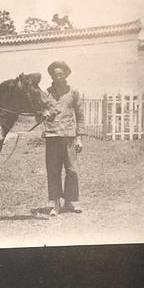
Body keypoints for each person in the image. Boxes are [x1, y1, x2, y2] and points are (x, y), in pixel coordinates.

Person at [41, 60, 85, 215]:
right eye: (55, 74)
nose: (58, 77)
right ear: (51, 76)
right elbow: (39, 114)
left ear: (66, 74)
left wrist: (79, 137)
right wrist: (44, 115)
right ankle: (55, 204)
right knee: (53, 170)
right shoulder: (46, 93)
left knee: (72, 170)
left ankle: (69, 202)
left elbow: (80, 115)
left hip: (69, 137)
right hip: (52, 136)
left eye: (61, 74)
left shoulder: (73, 92)